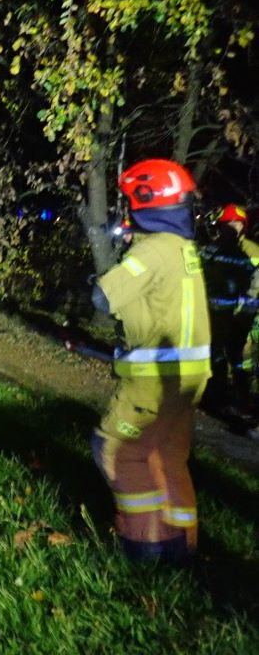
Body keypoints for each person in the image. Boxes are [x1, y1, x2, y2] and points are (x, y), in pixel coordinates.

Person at [90, 159, 210, 564]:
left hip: (154, 379)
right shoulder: (183, 248)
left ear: (145, 200)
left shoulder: (152, 250)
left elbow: (103, 298)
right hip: (190, 377)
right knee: (168, 456)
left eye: (128, 201)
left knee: (118, 451)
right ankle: (182, 543)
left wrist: (110, 269)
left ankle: (147, 550)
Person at [200, 204, 259, 426]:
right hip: (215, 314)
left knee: (239, 359)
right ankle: (219, 397)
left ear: (243, 227)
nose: (232, 227)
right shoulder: (211, 250)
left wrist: (247, 313)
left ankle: (242, 400)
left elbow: (255, 286)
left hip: (241, 316)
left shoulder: (252, 252)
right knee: (217, 355)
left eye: (236, 223)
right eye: (228, 224)